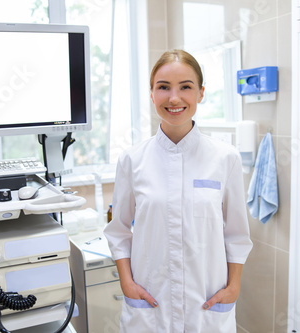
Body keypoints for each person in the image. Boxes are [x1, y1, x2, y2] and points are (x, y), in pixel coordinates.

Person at [103, 49, 253, 333]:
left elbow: (236, 234)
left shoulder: (225, 158)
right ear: (151, 94)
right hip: (149, 307)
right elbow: (119, 231)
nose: (174, 98)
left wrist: (233, 287)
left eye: (186, 87)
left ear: (201, 93)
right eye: (163, 87)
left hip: (207, 307)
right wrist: (127, 283)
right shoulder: (132, 160)